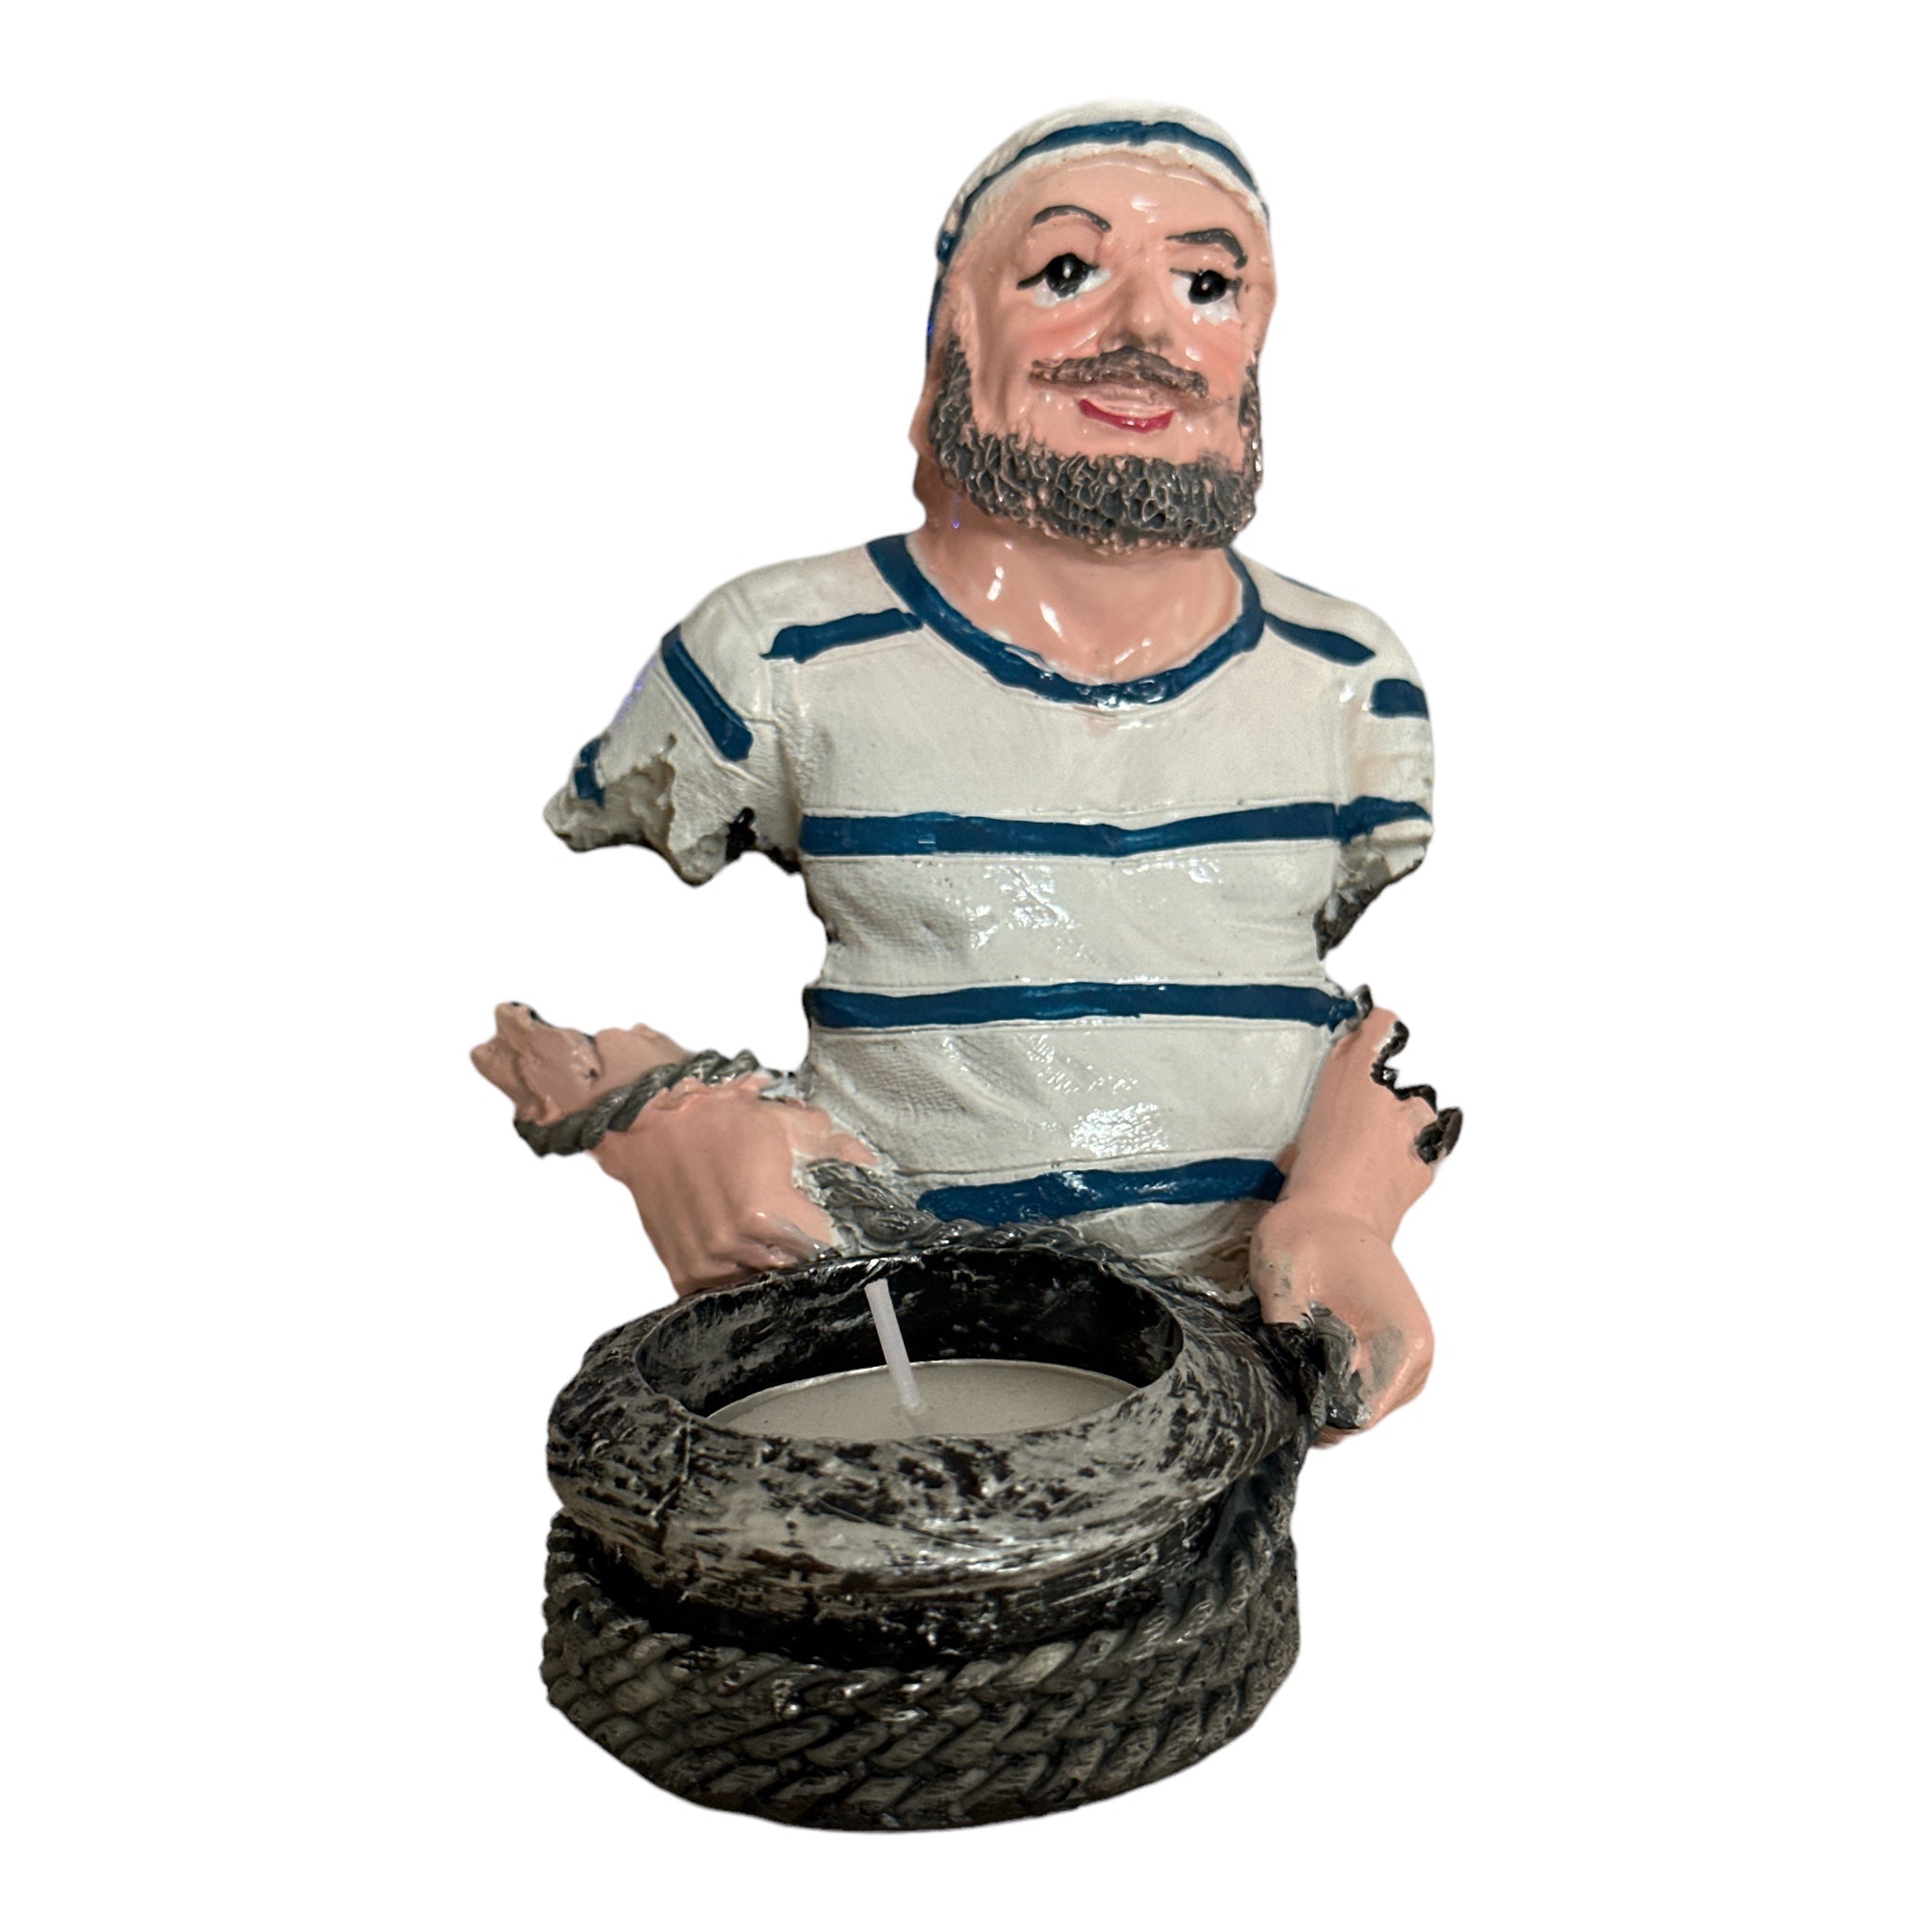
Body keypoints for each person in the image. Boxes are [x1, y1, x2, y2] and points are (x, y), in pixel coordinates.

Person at [475, 104, 1457, 1432]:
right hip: (890, 1364)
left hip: (1226, 1399)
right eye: (1068, 270)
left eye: (1207, 285)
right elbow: (494, 972)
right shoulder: (775, 653)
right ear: (957, 330)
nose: (1148, 330)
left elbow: (1335, 1021)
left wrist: (1344, 1208)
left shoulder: (1353, 681)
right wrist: (659, 1124)